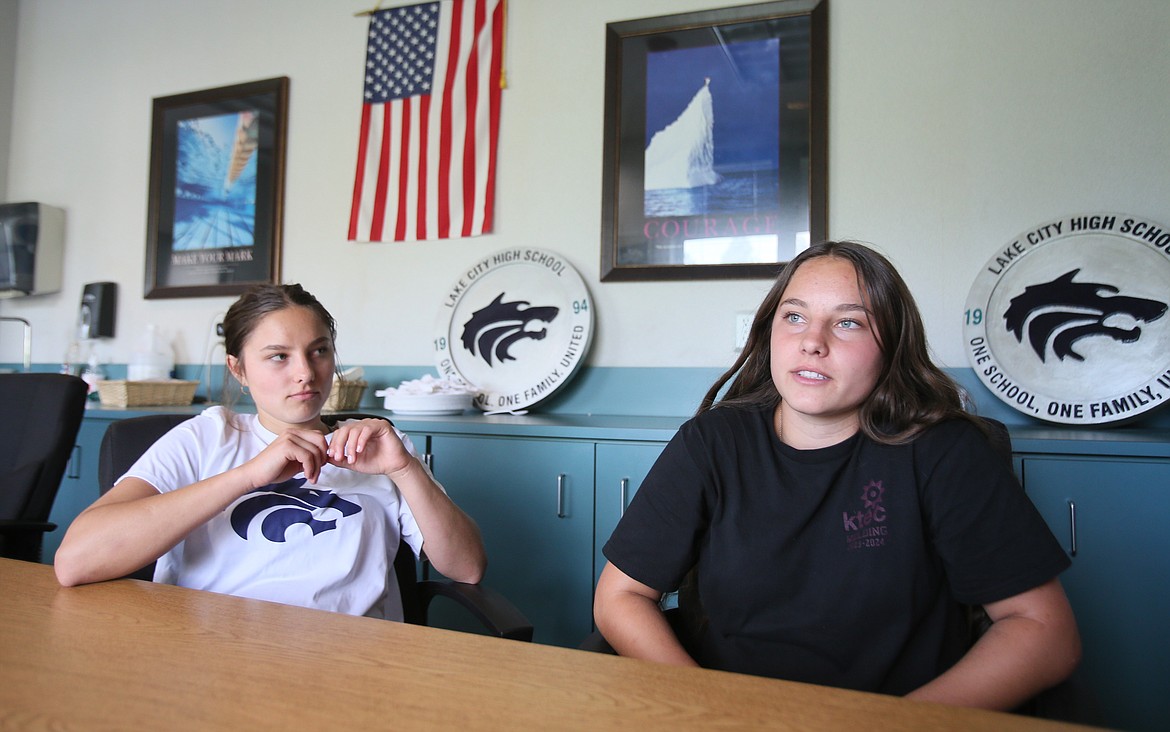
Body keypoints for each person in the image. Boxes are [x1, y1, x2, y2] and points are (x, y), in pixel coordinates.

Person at [594, 241, 1080, 710]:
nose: (812, 342)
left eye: (848, 322)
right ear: (769, 332)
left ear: (892, 347)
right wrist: (708, 709)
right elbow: (621, 596)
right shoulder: (714, 441)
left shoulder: (944, 452)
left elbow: (1043, 629)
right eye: (795, 317)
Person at [55, 283, 486, 621]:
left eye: (319, 351)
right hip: (210, 655)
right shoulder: (206, 438)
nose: (305, 373)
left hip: (353, 662)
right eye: (278, 356)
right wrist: (247, 476)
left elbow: (467, 569)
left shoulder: (377, 446)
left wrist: (404, 469)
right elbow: (75, 562)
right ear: (238, 369)